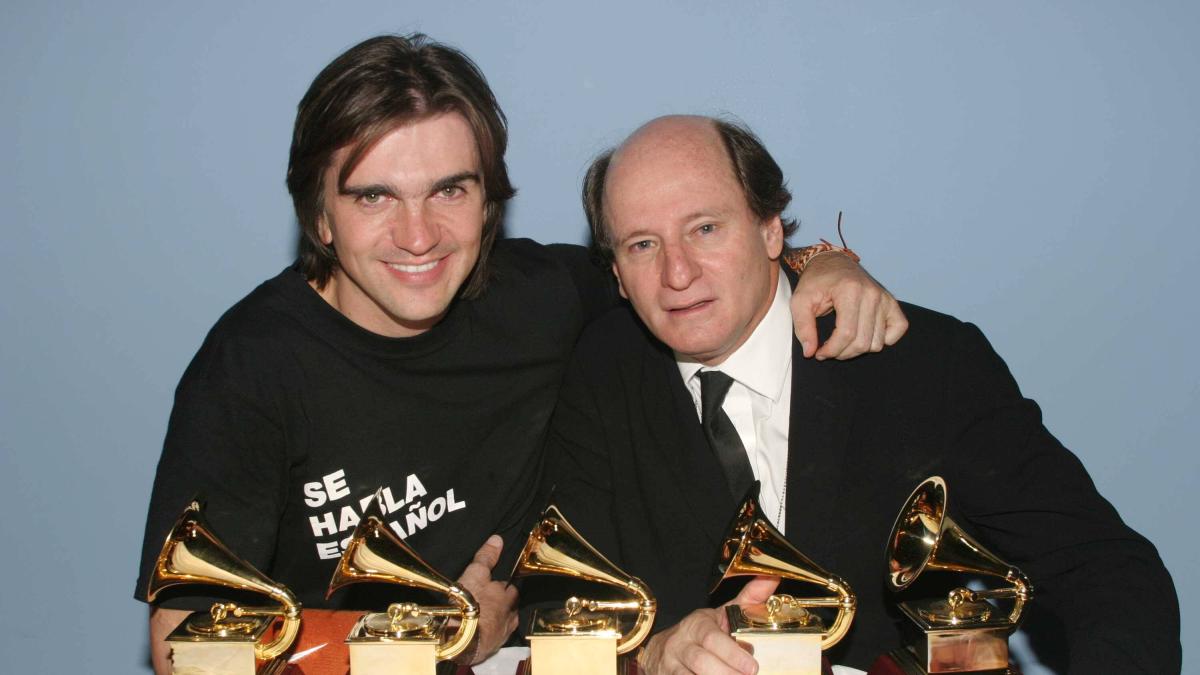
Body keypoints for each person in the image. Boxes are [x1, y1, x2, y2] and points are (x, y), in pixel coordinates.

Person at [133, 35, 908, 673]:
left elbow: (692, 269)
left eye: (450, 190)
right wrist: (431, 637)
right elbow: (182, 644)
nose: (418, 235)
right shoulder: (252, 365)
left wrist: (825, 262)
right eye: (374, 196)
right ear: (320, 217)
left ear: (489, 198)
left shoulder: (542, 295)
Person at [542, 115, 1180, 674]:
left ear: (770, 230)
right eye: (643, 244)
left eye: (705, 228)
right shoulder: (597, 372)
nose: (677, 274)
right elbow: (562, 607)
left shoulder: (924, 365)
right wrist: (648, 657)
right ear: (618, 273)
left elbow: (1107, 573)